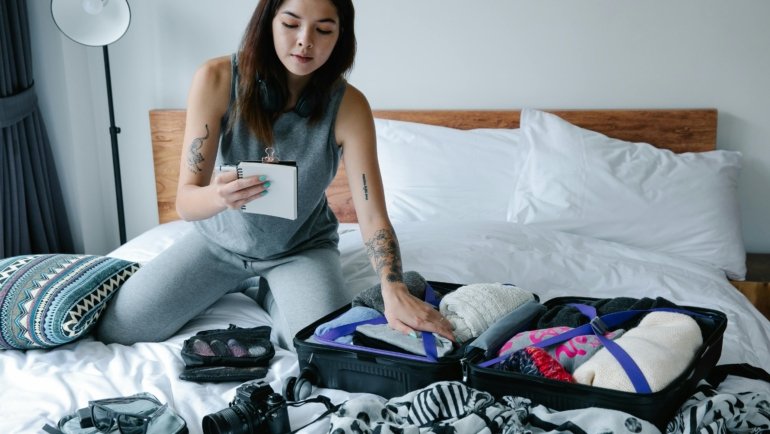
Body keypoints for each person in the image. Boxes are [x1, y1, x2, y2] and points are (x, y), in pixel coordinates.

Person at [96, 0, 454, 349]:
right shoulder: (216, 78)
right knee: (119, 328)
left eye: (323, 29)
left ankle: (266, 289)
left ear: (340, 37)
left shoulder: (349, 106)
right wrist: (218, 196)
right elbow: (186, 203)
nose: (305, 40)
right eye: (291, 24)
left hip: (301, 249)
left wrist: (393, 289)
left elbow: (372, 213)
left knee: (315, 346)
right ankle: (246, 283)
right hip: (217, 243)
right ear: (268, 22)